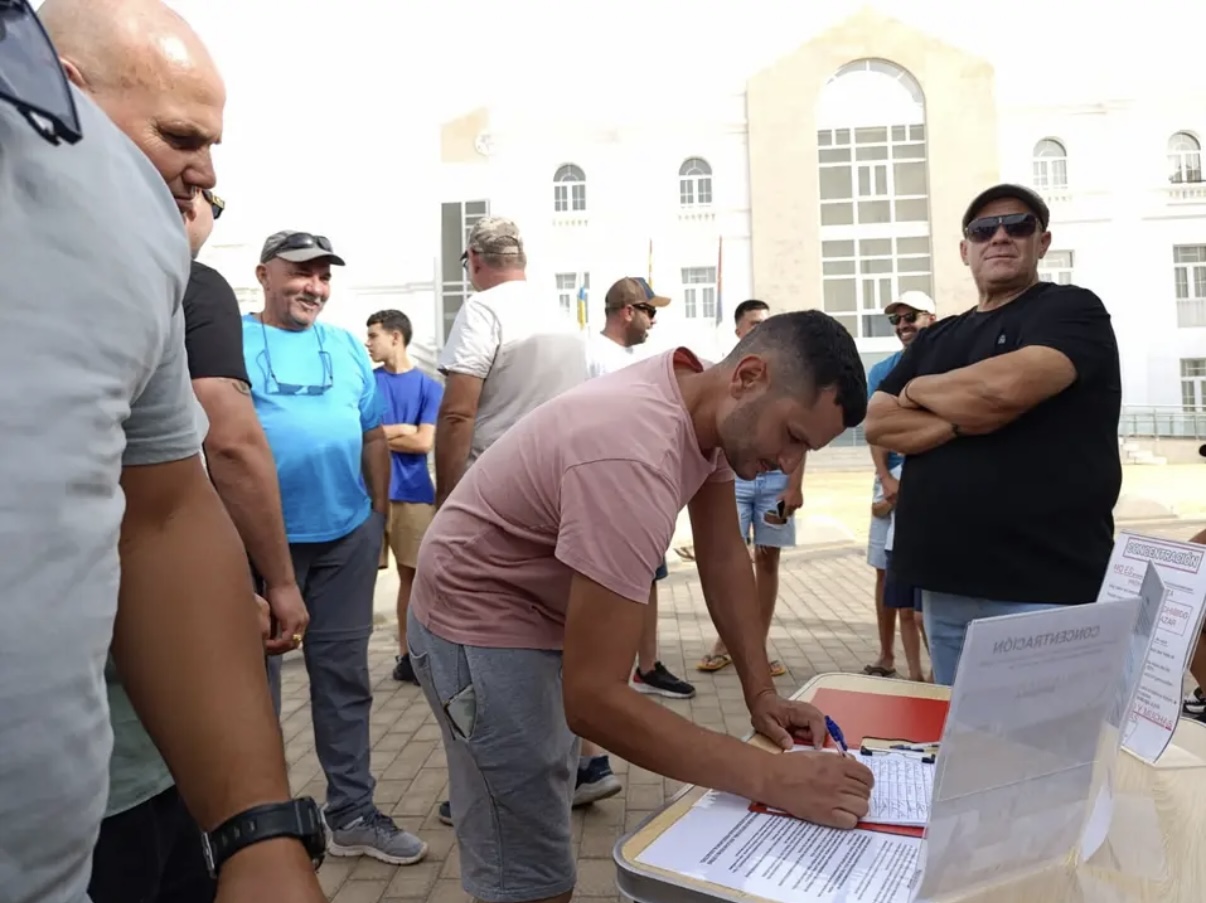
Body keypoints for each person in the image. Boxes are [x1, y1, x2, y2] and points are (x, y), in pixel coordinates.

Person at [4, 1, 325, 901]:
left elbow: (167, 511)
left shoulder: (127, 227)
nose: (206, 170)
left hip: (99, 820)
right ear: (68, 86)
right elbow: (230, 438)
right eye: (181, 134)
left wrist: (260, 829)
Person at [409, 311, 872, 903]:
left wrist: (761, 693)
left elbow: (724, 551)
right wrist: (772, 777)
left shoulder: (705, 398)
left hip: (534, 605)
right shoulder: (632, 458)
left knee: (544, 800)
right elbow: (596, 702)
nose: (787, 464)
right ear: (750, 375)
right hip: (478, 618)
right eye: (794, 438)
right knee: (530, 871)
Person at [865, 183, 1122, 686]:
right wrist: (966, 414)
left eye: (1018, 225)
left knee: (1045, 752)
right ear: (966, 250)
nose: (1000, 236)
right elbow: (880, 422)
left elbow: (1001, 392)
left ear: (1042, 241)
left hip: (1045, 588)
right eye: (984, 229)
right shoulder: (938, 335)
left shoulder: (1070, 311)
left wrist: (917, 389)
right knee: (965, 747)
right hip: (945, 590)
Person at [245, 231, 427, 864]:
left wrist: (375, 517)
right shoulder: (229, 341)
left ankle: (350, 812)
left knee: (345, 679)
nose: (314, 287)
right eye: (301, 273)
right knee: (253, 686)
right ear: (265, 274)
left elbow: (373, 436)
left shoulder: (348, 346)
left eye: (323, 275)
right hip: (258, 545)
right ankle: (260, 825)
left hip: (346, 536)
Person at [432, 216, 611, 821]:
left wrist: (447, 504)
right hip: (559, 496)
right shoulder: (562, 315)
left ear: (474, 261)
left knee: (483, 648)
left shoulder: (482, 310)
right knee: (554, 641)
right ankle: (581, 765)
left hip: (495, 500)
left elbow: (458, 414)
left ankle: (486, 788)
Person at [589, 277, 694, 699]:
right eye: (651, 311)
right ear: (628, 311)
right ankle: (602, 672)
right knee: (607, 582)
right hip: (605, 488)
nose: (654, 320)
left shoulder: (637, 359)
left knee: (649, 576)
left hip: (641, 486)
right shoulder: (591, 355)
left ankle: (646, 668)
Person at [698, 300, 806, 679]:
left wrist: (794, 485)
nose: (761, 327)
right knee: (733, 555)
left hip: (775, 479)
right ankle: (727, 642)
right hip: (735, 476)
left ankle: (757, 644)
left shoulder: (788, 373)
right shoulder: (728, 372)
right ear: (739, 330)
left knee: (767, 559)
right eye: (754, 323)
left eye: (766, 322)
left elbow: (800, 435)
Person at [364, 309, 443, 684]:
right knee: (357, 578)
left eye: (374, 335)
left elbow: (424, 441)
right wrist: (398, 429)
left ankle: (408, 654)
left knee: (414, 578)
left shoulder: (430, 388)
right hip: (368, 492)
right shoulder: (366, 381)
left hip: (413, 494)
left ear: (395, 337)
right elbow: (354, 432)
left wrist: (379, 434)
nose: (368, 343)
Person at [861, 291, 935, 680]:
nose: (904, 326)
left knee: (928, 583)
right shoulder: (883, 370)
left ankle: (937, 669)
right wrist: (887, 478)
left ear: (932, 318)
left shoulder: (945, 363)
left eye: (912, 317)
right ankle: (888, 656)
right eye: (897, 320)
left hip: (932, 480)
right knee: (885, 572)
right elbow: (876, 430)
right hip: (890, 480)